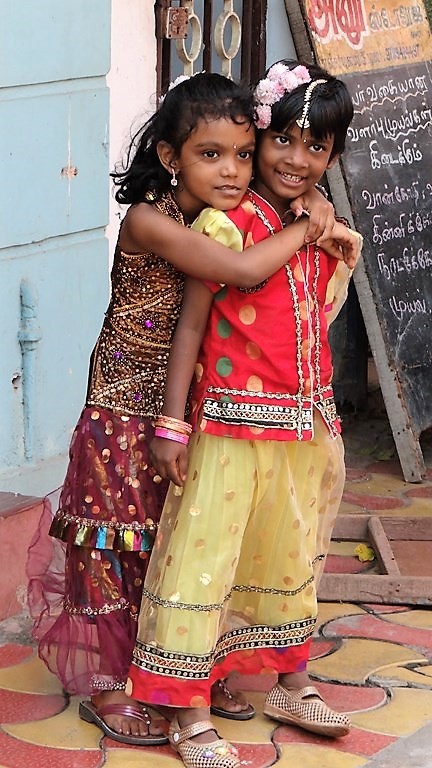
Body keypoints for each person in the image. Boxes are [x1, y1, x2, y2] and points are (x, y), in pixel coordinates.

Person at [26, 71, 355, 747]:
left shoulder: (227, 215)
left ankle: (186, 668)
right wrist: (305, 218)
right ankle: (111, 686)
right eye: (211, 155)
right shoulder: (154, 219)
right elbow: (238, 274)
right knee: (116, 544)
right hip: (124, 407)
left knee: (172, 545)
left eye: (241, 152)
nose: (232, 170)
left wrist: (310, 201)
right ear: (172, 157)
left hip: (187, 407)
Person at [126, 60, 362, 768]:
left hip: (299, 428)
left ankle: (293, 681)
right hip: (227, 430)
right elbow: (192, 327)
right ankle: (188, 711)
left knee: (291, 555)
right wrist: (173, 423)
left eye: (315, 147)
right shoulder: (229, 226)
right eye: (283, 141)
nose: (297, 159)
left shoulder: (314, 222)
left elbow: (312, 319)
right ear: (259, 139)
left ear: (332, 155)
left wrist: (328, 233)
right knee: (205, 560)